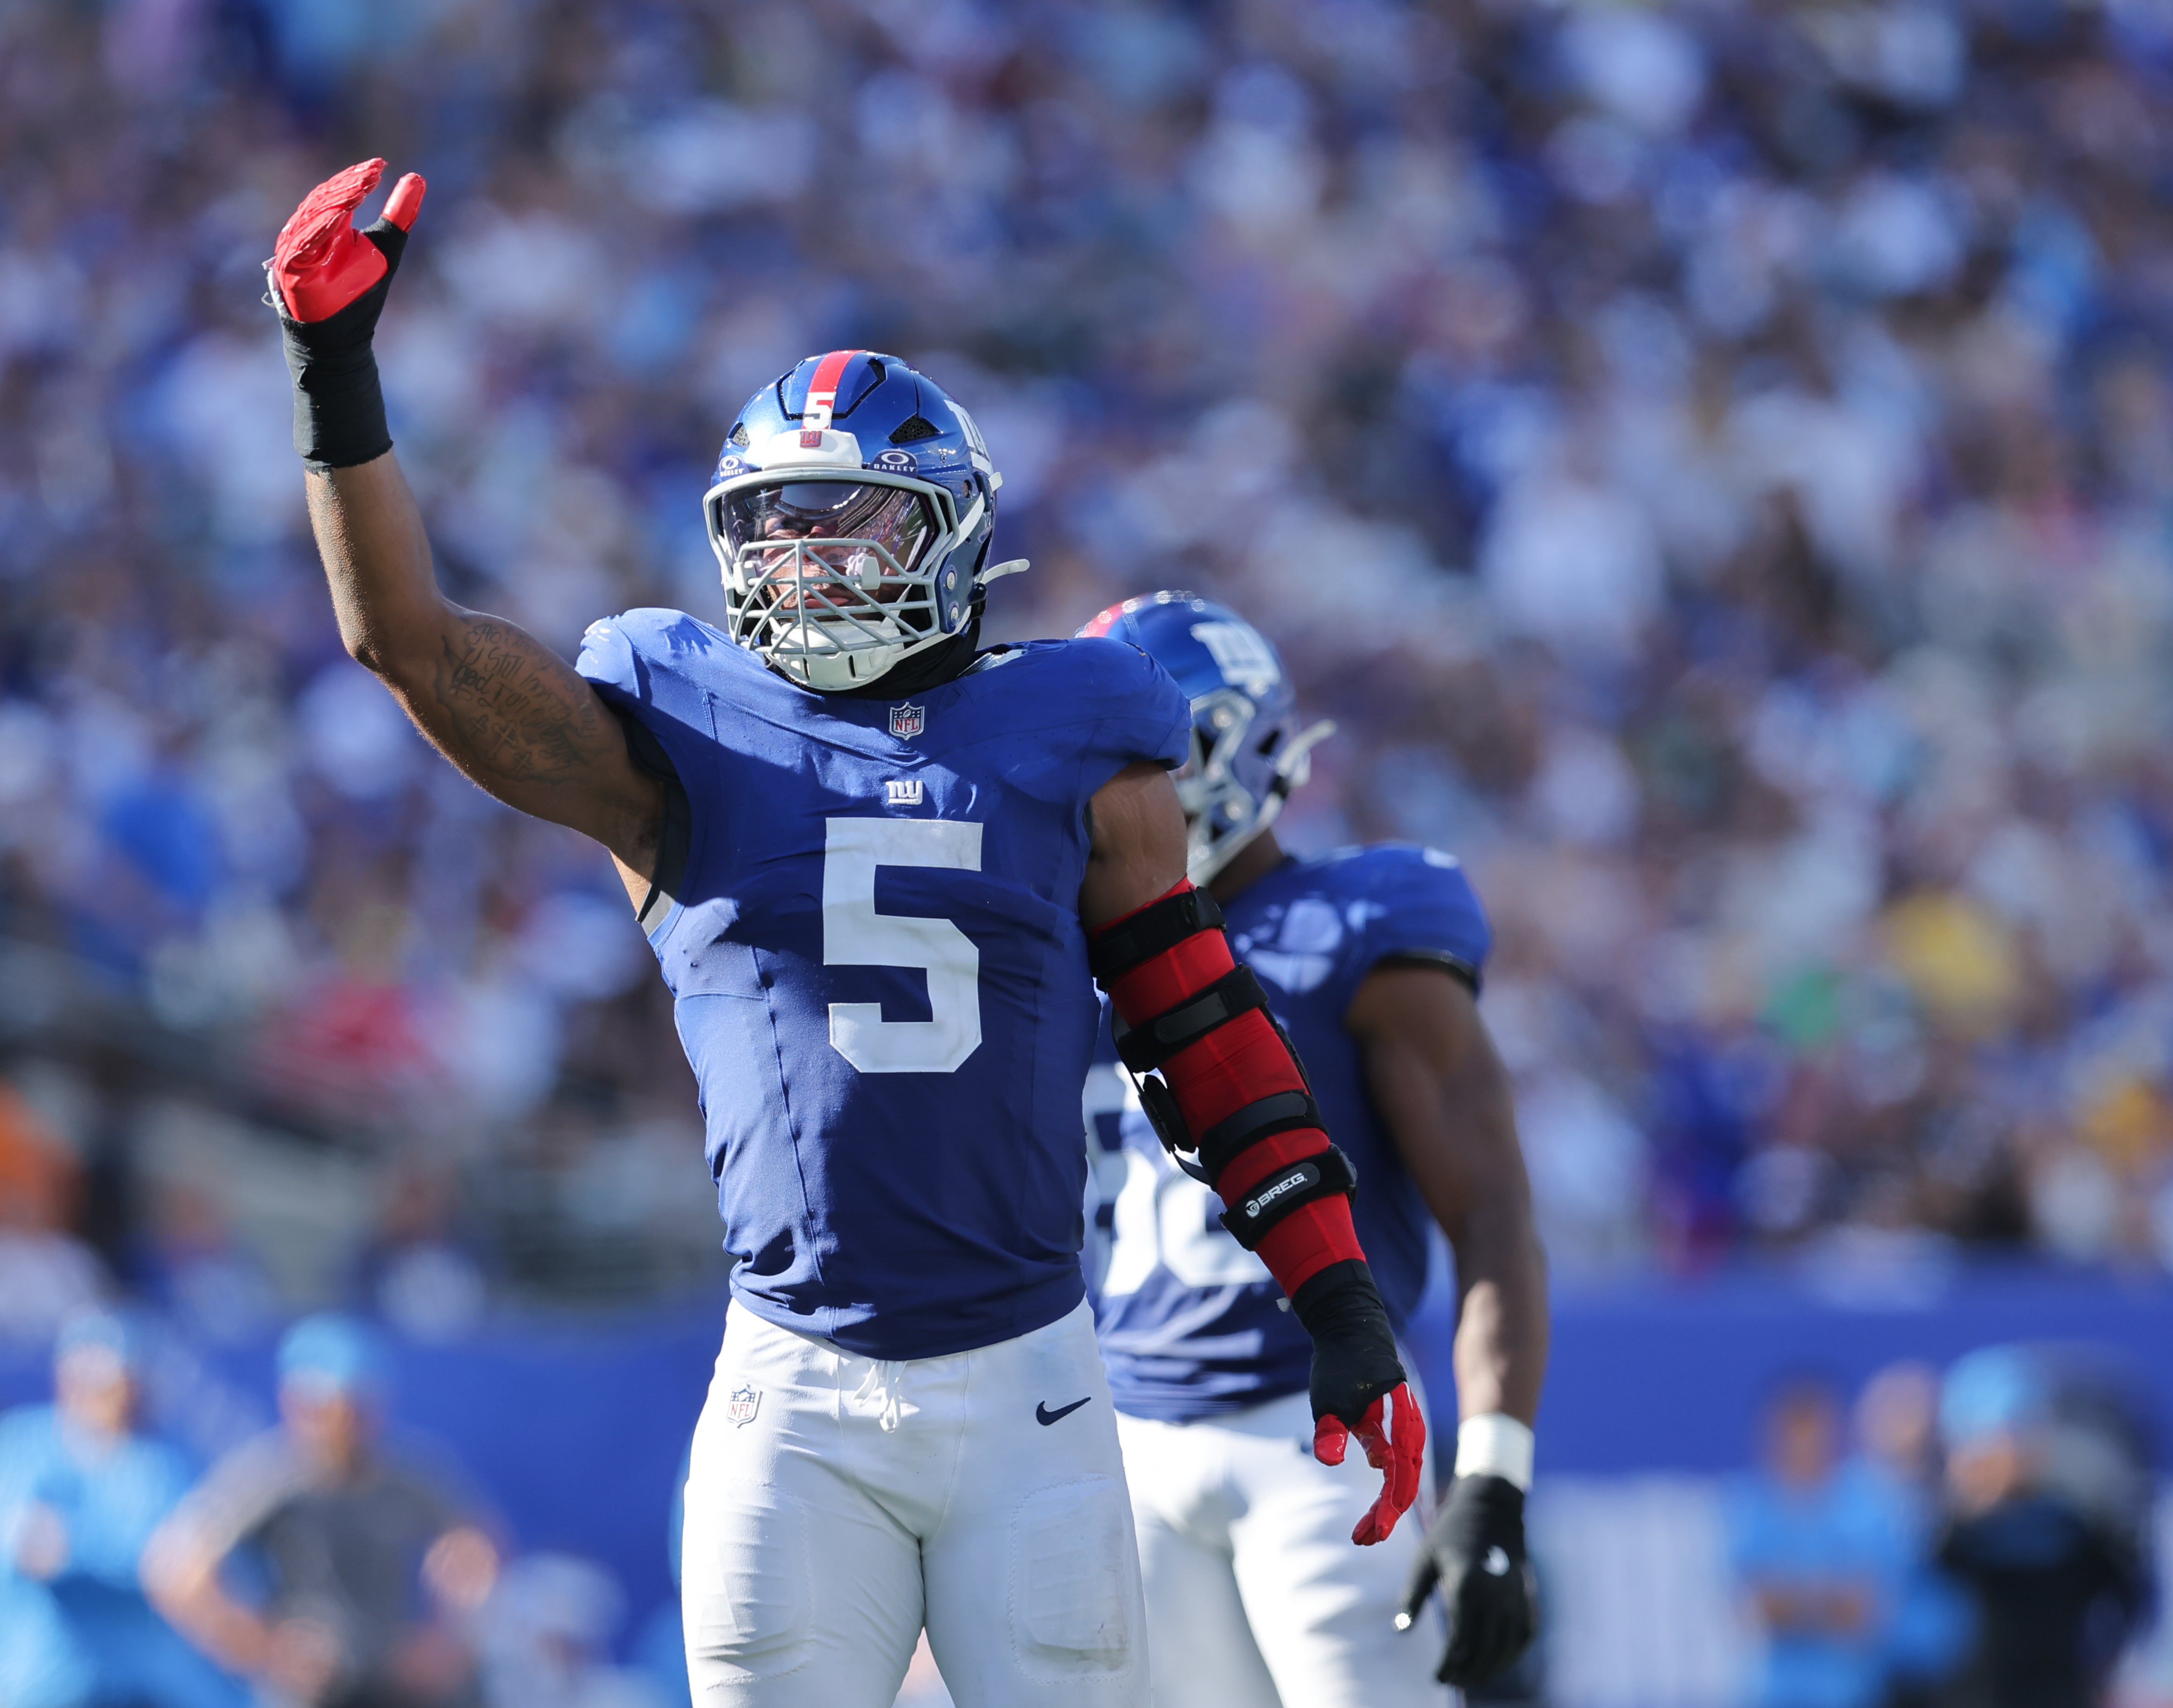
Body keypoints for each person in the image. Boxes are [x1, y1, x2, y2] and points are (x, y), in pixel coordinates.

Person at [251, 159, 1426, 1708]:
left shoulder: (1071, 718)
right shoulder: (676, 719)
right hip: (791, 1394)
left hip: (1034, 1395)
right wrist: (332, 372)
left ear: (949, 529)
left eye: (844, 518)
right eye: (773, 524)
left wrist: (1335, 1292)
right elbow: (406, 643)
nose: (804, 556)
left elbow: (1196, 1028)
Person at [1073, 593, 1548, 1706]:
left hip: (1321, 1440)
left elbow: (1491, 1218)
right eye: (1100, 755)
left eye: (1160, 748)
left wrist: (1491, 1478)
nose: (1124, 783)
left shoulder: (1355, 932)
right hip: (1125, 1437)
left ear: (1245, 744)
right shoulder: (1052, 943)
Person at [142, 1316, 498, 1708]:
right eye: (326, 1406)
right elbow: (175, 1571)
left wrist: (446, 1637)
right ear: (294, 1403)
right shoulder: (267, 1478)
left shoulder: (410, 1476)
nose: (342, 1421)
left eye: (354, 1406)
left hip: (394, 1677)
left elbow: (473, 1546)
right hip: (313, 1683)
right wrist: (261, 1647)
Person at [0, 1312, 241, 1708]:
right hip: (30, 1684)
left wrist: (79, 1546)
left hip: (143, 1687)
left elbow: (183, 1569)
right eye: (86, 1379)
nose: (105, 1394)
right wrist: (126, 1556)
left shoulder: (167, 1463)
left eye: (115, 1381)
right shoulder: (19, 1443)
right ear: (63, 1377)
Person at [1930, 1349, 2149, 1708]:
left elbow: (2127, 1592)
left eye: (2021, 1433)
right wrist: (1972, 1506)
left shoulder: (2069, 1524)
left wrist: (2102, 1660)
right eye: (1994, 1441)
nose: (2010, 1453)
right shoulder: (1950, 1535)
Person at [1724, 1374, 1905, 1708]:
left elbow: (1865, 1612)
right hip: (1776, 1694)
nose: (1804, 1443)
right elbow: (1755, 1610)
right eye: (1795, 1431)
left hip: (1851, 1694)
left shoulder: (1868, 1505)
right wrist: (1828, 1600)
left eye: (1814, 1430)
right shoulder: (1749, 1508)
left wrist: (1793, 1601)